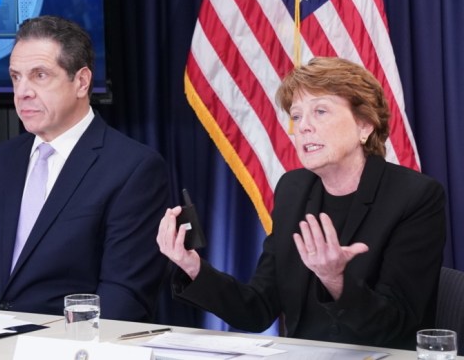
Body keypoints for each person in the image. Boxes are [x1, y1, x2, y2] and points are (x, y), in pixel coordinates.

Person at [157, 56, 446, 350]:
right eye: (296, 116)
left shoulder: (415, 196)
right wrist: (192, 267)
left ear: (365, 126)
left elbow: (396, 327)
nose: (302, 127)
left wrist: (336, 281)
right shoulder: (293, 189)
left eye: (320, 111)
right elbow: (257, 309)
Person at [0, 15, 170, 321]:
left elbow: (124, 296)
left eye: (39, 75)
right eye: (16, 77)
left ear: (81, 82)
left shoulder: (133, 168)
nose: (22, 91)